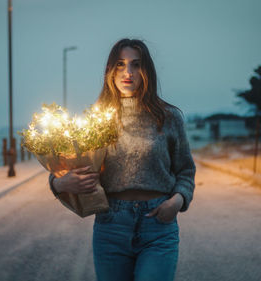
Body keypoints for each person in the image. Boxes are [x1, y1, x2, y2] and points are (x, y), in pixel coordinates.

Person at [49, 38, 196, 281]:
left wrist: (177, 201)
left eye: (136, 65)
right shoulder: (96, 121)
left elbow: (185, 172)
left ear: (146, 70)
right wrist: (59, 184)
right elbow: (67, 169)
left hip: (158, 226)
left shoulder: (169, 117)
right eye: (120, 64)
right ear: (110, 70)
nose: (128, 72)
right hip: (111, 227)